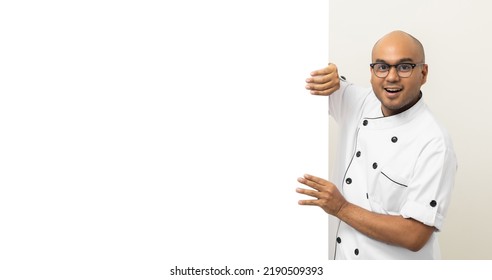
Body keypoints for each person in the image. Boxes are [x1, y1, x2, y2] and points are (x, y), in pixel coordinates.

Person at [296, 30, 457, 259]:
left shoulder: (434, 143)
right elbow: (305, 75)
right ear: (372, 72)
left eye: (404, 67)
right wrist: (327, 68)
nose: (391, 77)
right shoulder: (358, 102)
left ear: (423, 73)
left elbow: (414, 235)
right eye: (382, 66)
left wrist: (341, 208)